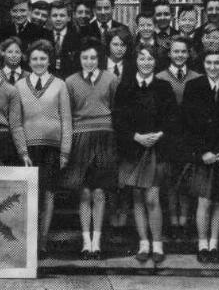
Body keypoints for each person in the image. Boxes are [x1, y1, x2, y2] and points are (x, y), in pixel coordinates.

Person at [113, 46, 179, 264]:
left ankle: (157, 244)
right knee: (138, 198)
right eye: (142, 58)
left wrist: (159, 134)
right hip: (133, 148)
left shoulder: (164, 86)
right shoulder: (126, 87)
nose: (146, 62)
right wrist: (136, 137)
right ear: (136, 61)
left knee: (152, 197)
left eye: (150, 58)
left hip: (155, 150)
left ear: (155, 62)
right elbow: (119, 120)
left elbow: (172, 118)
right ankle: (143, 243)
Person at [180, 48, 219, 264]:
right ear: (203, 64)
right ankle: (202, 244)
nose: (213, 67)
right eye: (209, 63)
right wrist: (201, 152)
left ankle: (214, 244)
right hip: (203, 155)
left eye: (217, 63)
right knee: (204, 201)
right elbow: (186, 124)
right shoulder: (194, 86)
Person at [64, 38, 119, 259]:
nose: (89, 61)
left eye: (93, 57)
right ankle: (86, 242)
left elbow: (116, 109)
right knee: (84, 192)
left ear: (100, 58)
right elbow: (67, 114)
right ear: (79, 59)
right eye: (85, 58)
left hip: (105, 138)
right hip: (80, 139)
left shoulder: (111, 79)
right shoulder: (70, 82)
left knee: (99, 192)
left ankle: (97, 242)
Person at [18, 38, 72, 256]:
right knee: (29, 193)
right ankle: (28, 241)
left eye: (43, 58)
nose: (39, 62)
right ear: (28, 61)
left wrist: (65, 151)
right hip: (28, 149)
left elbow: (67, 120)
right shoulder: (19, 85)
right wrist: (21, 149)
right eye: (34, 58)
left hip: (52, 147)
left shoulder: (60, 84)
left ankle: (43, 241)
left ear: (50, 61)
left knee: (48, 193)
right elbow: (17, 121)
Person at [155, 37, 199, 233]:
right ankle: (173, 221)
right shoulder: (160, 78)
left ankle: (185, 220)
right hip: (168, 137)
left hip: (189, 136)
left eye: (183, 51)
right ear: (169, 54)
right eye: (176, 51)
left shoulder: (197, 78)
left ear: (188, 54)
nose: (180, 55)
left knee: (187, 180)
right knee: (171, 180)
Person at [49, 0, 82, 78]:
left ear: (69, 18)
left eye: (62, 15)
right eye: (54, 15)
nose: (58, 19)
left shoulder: (77, 38)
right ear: (50, 18)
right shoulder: (44, 36)